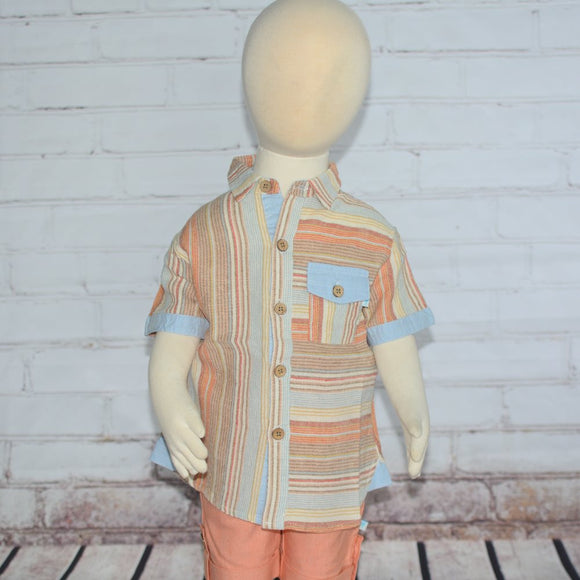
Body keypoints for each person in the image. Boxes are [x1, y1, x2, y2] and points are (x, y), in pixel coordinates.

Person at [146, 1, 434, 578]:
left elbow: (393, 344)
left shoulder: (372, 236)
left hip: (329, 474)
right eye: (284, 67)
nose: (307, 89)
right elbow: (172, 351)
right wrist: (170, 403)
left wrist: (415, 416)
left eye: (331, 73)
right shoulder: (205, 232)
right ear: (250, 80)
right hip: (234, 466)